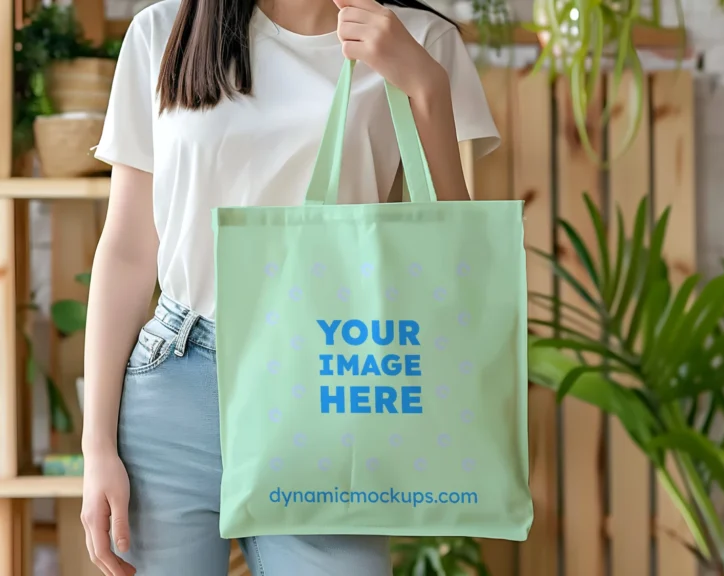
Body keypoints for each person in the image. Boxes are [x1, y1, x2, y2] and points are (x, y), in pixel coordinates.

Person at [80, 0, 499, 573]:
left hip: (331, 384)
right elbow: (128, 250)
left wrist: (425, 87)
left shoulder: (420, 39)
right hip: (175, 385)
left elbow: (457, 258)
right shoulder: (164, 31)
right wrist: (97, 446)